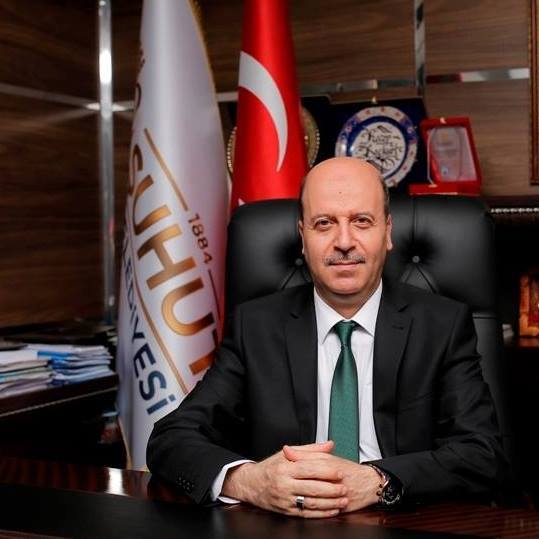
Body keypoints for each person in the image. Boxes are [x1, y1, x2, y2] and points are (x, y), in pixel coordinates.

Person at [147, 157, 507, 518]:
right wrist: (251, 481)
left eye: (362, 221)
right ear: (303, 237)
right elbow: (171, 438)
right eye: (324, 224)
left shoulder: (442, 325)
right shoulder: (255, 327)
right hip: (287, 523)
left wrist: (378, 480)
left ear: (387, 232)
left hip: (402, 519)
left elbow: (482, 454)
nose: (344, 242)